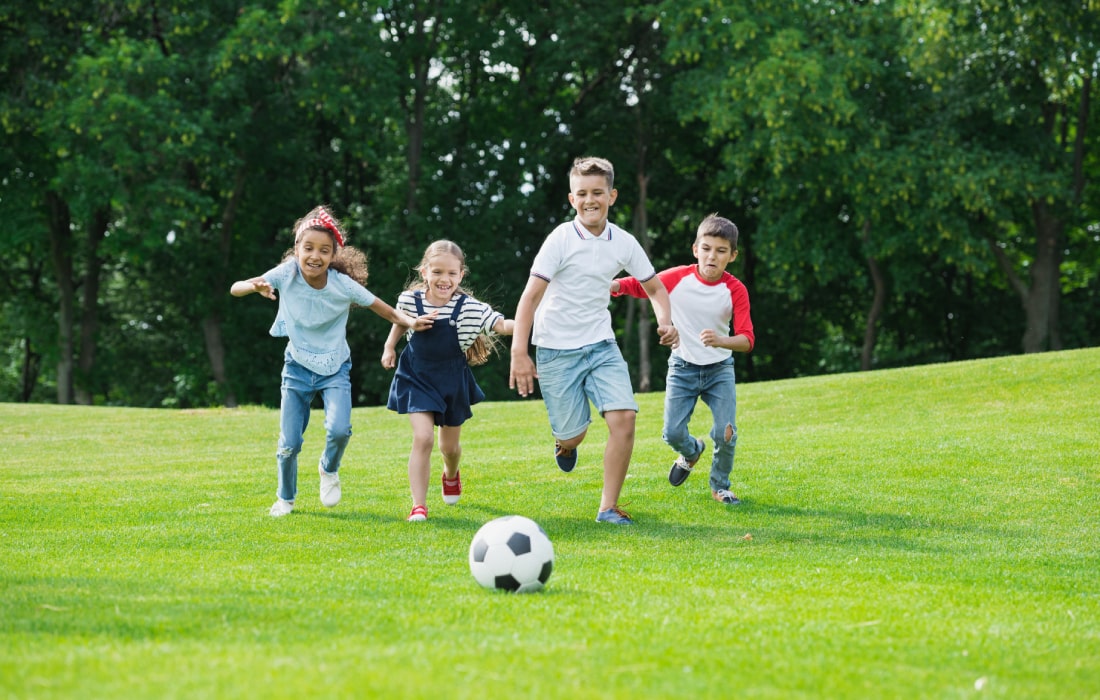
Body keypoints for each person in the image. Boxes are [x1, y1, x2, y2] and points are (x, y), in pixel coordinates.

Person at [230, 205, 435, 517]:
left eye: (324, 251)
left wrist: (410, 322)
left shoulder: (342, 284)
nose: (315, 256)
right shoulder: (286, 274)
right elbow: (236, 288)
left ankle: (328, 468)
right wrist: (254, 286)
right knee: (289, 445)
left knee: (339, 429)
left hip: (335, 368)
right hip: (297, 368)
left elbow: (384, 309)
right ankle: (285, 498)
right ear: (296, 249)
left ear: (333, 255)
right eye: (308, 248)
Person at [509, 156, 679, 525]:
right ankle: (564, 443)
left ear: (612, 196)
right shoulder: (560, 239)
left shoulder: (624, 242)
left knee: (624, 419)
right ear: (572, 199)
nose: (590, 200)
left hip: (601, 345)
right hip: (555, 349)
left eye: (597, 193)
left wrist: (665, 321)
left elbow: (655, 289)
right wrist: (520, 352)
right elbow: (530, 298)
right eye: (582, 193)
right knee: (575, 436)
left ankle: (607, 508)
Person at [611, 213, 754, 505]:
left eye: (721, 251)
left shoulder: (735, 290)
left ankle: (720, 487)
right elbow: (643, 286)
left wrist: (720, 340)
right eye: (706, 248)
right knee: (672, 433)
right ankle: (691, 451)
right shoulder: (678, 278)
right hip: (682, 368)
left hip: (719, 370)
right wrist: (613, 286)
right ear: (695, 249)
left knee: (726, 432)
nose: (712, 256)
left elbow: (747, 339)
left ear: (733, 256)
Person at [382, 240, 515, 522]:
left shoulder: (470, 309)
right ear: (424, 271)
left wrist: (532, 325)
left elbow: (501, 326)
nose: (445, 279)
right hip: (416, 376)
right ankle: (418, 505)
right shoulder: (409, 300)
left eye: (452, 274)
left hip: (452, 380)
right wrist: (389, 346)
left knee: (449, 448)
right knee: (423, 437)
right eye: (438, 272)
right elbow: (399, 320)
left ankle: (451, 474)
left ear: (461, 275)